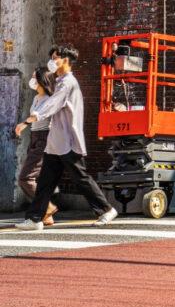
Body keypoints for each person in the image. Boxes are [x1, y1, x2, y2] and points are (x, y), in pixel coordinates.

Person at [14, 46, 118, 231]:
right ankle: (35, 218)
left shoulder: (68, 83)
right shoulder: (61, 81)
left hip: (68, 140)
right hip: (56, 141)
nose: (52, 62)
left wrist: (30, 119)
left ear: (66, 60)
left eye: (55, 58)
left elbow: (52, 104)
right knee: (46, 181)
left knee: (81, 177)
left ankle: (106, 209)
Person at [13, 67, 59, 225]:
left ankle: (48, 207)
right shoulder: (37, 97)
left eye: (34, 77)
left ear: (41, 80)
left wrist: (23, 123)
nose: (31, 79)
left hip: (43, 138)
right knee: (37, 178)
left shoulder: (48, 99)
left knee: (26, 178)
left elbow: (37, 116)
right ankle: (47, 215)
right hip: (35, 137)